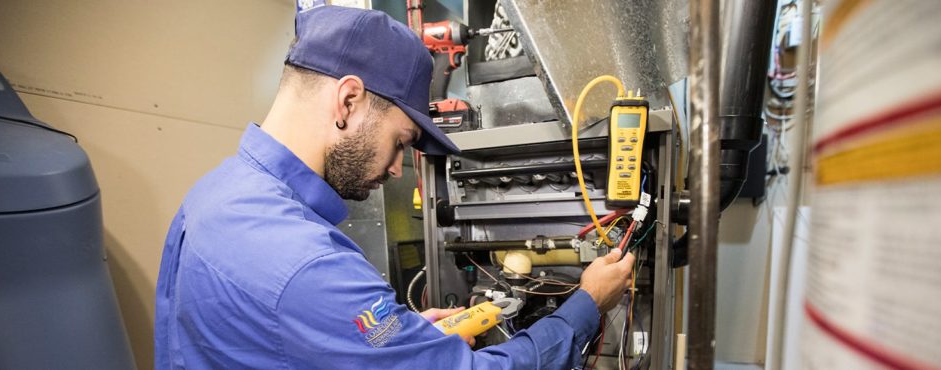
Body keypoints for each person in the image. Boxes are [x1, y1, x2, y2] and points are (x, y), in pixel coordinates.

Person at [154, 4, 634, 369]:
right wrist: (586, 305)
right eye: (401, 141)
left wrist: (400, 340)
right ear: (347, 100)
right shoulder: (308, 263)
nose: (398, 169)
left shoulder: (211, 195)